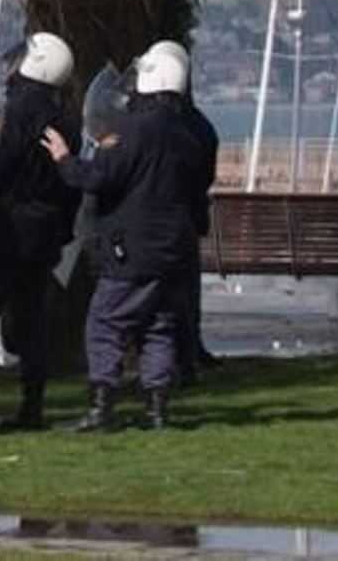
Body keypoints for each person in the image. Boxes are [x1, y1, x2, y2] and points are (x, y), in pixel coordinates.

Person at [41, 43, 209, 431]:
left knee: (105, 324)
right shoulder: (188, 138)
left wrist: (65, 159)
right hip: (174, 252)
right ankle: (157, 409)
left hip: (131, 249)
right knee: (159, 327)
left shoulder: (130, 131)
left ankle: (101, 408)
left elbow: (98, 178)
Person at [0, 32, 83, 433]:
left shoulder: (16, 109)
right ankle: (32, 407)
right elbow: (68, 184)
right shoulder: (65, 119)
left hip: (6, 231)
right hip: (43, 236)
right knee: (31, 321)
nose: (10, 65)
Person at [145, 41, 221, 383]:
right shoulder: (200, 126)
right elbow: (205, 175)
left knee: (161, 297)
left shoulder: (152, 125)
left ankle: (172, 362)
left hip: (158, 221)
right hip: (189, 218)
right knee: (185, 293)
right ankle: (188, 356)